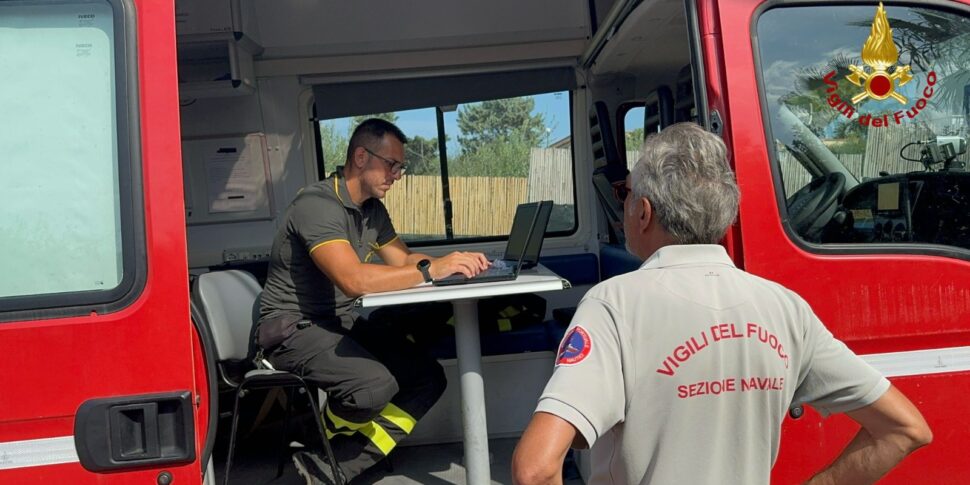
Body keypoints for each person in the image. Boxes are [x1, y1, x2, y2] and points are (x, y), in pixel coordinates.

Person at [511, 122, 931, 485]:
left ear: (643, 211)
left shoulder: (612, 304)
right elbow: (904, 428)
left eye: (625, 194)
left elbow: (536, 469)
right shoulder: (786, 308)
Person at [256, 118, 489, 484]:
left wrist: (455, 263)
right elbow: (354, 280)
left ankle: (330, 467)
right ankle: (311, 435)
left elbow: (403, 261)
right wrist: (433, 271)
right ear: (361, 157)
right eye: (392, 164)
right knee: (373, 386)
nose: (397, 175)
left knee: (427, 377)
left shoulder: (371, 210)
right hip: (291, 330)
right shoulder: (316, 205)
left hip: (338, 322)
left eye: (401, 167)